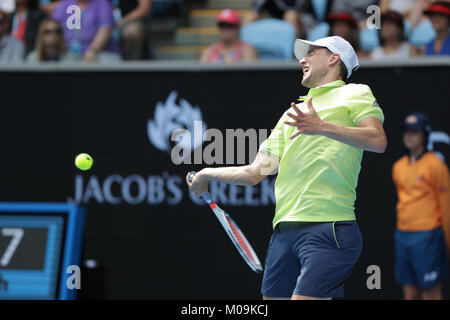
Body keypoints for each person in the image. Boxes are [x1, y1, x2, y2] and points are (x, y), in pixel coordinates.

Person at [187, 35, 387, 300]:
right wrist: (205, 174)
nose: (302, 59)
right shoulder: (292, 114)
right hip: (284, 233)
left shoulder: (355, 92)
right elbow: (255, 173)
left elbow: (378, 141)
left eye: (311, 52)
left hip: (329, 228)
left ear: (333, 58)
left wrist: (322, 127)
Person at [392, 113, 449, 300]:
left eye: (414, 132)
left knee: (430, 291)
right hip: (403, 234)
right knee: (409, 291)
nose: (409, 136)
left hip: (428, 236)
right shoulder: (399, 166)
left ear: (425, 135)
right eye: (406, 131)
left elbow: (446, 205)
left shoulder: (435, 165)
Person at [51, 0, 119, 61]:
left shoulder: (102, 4)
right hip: (65, 52)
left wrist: (93, 51)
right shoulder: (65, 4)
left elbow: (105, 28)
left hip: (97, 54)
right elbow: (53, 25)